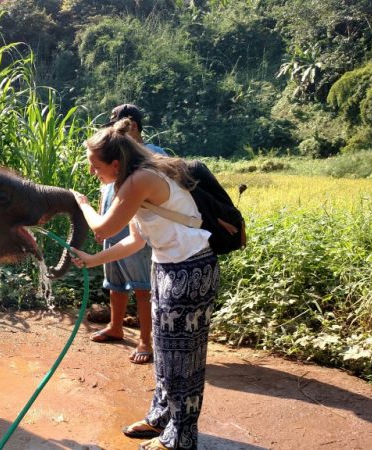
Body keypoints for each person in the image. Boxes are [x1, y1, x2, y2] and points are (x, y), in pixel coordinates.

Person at [70, 118, 219, 450]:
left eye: (96, 166)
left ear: (116, 163)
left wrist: (81, 204)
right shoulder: (135, 181)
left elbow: (104, 229)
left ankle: (180, 439)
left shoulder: (141, 179)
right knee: (165, 353)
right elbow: (136, 240)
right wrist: (93, 260)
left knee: (183, 358)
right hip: (168, 268)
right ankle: (161, 418)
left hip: (189, 271)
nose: (93, 173)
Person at [89, 104, 166, 366]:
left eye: (118, 126)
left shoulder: (152, 155)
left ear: (133, 126)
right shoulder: (115, 156)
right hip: (113, 228)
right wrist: (101, 220)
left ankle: (146, 340)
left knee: (142, 287)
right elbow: (107, 192)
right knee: (115, 285)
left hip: (139, 231)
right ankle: (115, 326)